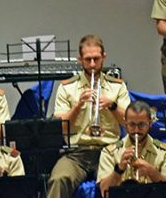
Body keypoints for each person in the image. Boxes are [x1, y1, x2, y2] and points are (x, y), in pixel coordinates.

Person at [47, 34, 131, 198]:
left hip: (110, 150)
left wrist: (112, 106)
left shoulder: (117, 87)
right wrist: (77, 106)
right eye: (87, 59)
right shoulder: (67, 88)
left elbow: (128, 123)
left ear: (104, 57)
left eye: (96, 59)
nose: (92, 64)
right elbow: (61, 128)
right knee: (59, 179)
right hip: (77, 152)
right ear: (80, 59)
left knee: (122, 180)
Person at [97, 100, 166, 197]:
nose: (136, 130)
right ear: (125, 123)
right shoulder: (109, 152)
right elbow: (104, 192)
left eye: (141, 125)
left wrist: (152, 172)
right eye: (132, 124)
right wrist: (119, 169)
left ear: (150, 123)